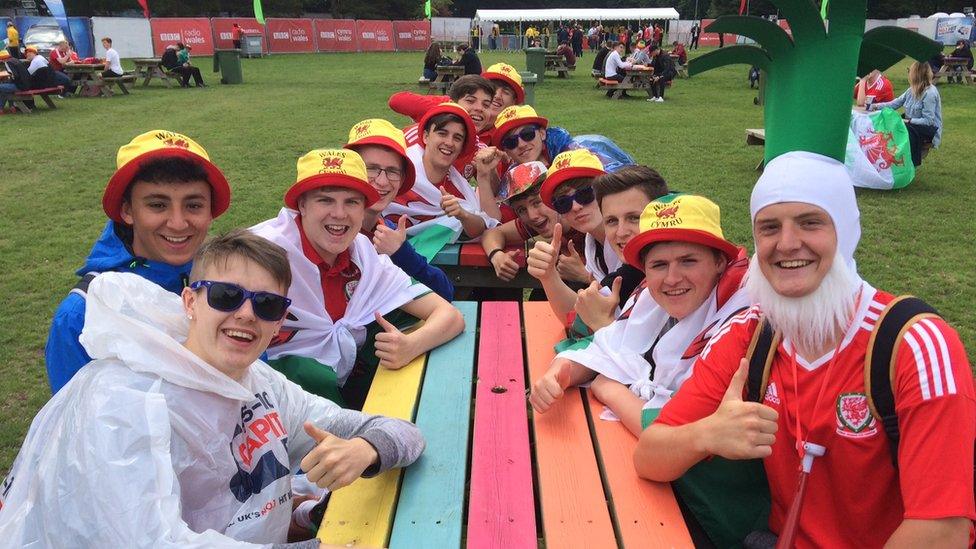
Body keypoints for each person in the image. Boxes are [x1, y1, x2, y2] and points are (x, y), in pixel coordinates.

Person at [635, 151, 975, 547]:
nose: (787, 243)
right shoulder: (754, 333)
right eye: (769, 227)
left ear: (845, 231)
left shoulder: (914, 343)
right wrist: (705, 435)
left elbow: (941, 531)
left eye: (810, 222)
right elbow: (649, 457)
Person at [0, 230, 426, 546]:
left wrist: (366, 449)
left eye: (267, 304)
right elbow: (149, 542)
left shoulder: (261, 384)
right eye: (226, 295)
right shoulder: (126, 403)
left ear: (280, 322)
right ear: (189, 302)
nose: (246, 315)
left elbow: (405, 433)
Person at [250, 147, 464, 410]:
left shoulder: (361, 252)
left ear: (364, 208)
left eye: (352, 202)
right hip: (268, 404)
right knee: (307, 371)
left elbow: (449, 314)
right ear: (301, 205)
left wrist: (410, 345)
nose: (339, 213)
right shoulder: (262, 254)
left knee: (400, 328)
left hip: (341, 384)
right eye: (325, 200)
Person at [45, 130, 231, 394]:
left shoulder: (230, 284)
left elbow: (257, 382)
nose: (178, 223)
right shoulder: (83, 315)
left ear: (210, 210)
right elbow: (78, 423)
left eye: (193, 205)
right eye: (157, 205)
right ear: (127, 211)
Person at [345, 118, 454, 300]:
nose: (382, 181)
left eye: (392, 171)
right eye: (370, 169)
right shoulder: (331, 230)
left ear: (403, 180)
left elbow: (445, 291)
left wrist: (401, 252)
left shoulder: (388, 231)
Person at [386, 103, 499, 247]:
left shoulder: (458, 188)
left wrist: (463, 215)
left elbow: (490, 223)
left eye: (457, 138)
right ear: (426, 137)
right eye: (442, 133)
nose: (449, 143)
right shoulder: (397, 168)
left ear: (461, 148)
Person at [481, 161, 588, 284]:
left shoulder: (585, 220)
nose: (532, 216)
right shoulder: (542, 219)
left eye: (536, 202)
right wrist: (496, 255)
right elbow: (492, 234)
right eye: (521, 210)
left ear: (554, 196)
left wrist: (584, 276)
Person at [871, 61, 942, 167]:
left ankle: (907, 163)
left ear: (915, 74)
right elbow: (894, 104)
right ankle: (885, 160)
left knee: (901, 130)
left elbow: (928, 121)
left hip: (928, 129)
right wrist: (874, 106)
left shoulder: (930, 93)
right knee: (887, 126)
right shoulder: (911, 90)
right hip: (912, 125)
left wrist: (908, 121)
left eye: (909, 71)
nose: (908, 73)